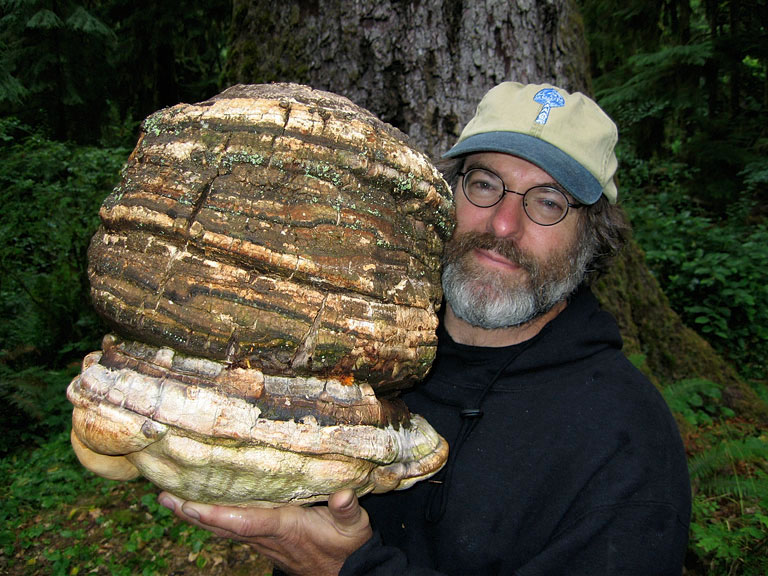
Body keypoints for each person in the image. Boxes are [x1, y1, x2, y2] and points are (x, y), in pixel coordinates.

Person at [157, 81, 692, 575]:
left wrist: (348, 569)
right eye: (485, 184)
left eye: (548, 202)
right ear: (448, 194)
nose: (503, 224)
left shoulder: (626, 441)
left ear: (592, 236)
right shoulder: (355, 356)